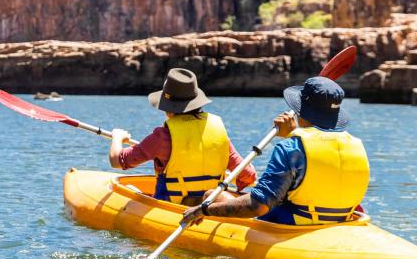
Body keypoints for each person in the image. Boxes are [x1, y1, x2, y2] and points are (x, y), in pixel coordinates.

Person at [180, 76, 369, 226]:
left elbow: (258, 207)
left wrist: (203, 210)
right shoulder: (356, 145)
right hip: (340, 222)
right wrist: (293, 134)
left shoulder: (291, 148)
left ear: (300, 110)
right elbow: (318, 166)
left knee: (210, 196)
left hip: (294, 223)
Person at [109, 68, 256, 206]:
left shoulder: (162, 137)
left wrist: (117, 137)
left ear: (168, 106)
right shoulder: (218, 132)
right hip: (211, 205)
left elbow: (117, 161)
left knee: (130, 189)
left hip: (172, 208)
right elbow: (248, 176)